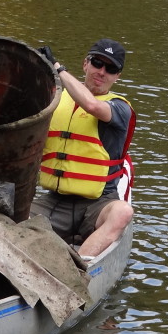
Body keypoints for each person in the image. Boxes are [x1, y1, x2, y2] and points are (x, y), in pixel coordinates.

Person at [31, 38, 136, 258]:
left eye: (111, 68)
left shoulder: (119, 108)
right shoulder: (55, 99)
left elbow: (92, 105)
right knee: (6, 218)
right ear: (85, 64)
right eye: (97, 63)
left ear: (118, 76)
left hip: (98, 205)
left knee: (123, 212)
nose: (102, 71)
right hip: (55, 200)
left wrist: (57, 68)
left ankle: (78, 272)